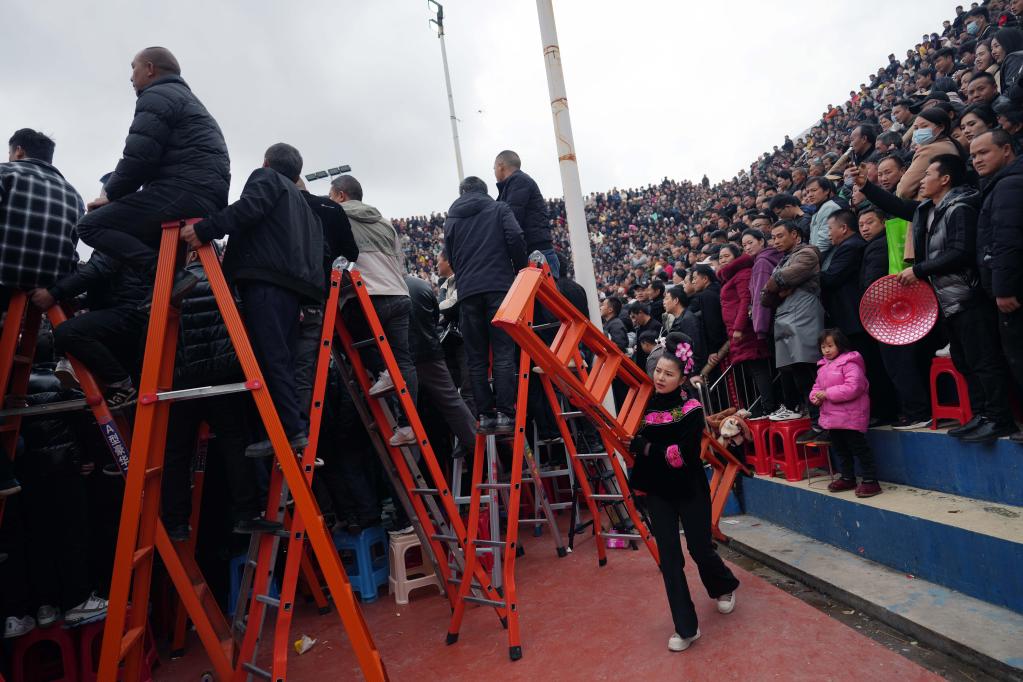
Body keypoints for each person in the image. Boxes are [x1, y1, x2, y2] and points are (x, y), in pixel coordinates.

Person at [180, 143, 323, 456]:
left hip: (265, 281)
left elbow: (248, 208)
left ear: (266, 163)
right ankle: (294, 427)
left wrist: (204, 229)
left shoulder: (266, 178)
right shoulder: (301, 202)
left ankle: (289, 430)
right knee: (283, 357)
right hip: (292, 286)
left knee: (271, 357)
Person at [77, 47, 230, 300]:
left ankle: (166, 276)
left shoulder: (157, 95)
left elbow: (139, 156)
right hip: (204, 197)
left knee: (90, 225)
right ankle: (158, 294)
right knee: (140, 237)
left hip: (182, 191)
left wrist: (111, 195)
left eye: (133, 67)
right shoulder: (188, 100)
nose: (131, 77)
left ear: (149, 69)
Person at [627, 333, 739, 653]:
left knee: (699, 549)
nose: (660, 378)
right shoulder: (644, 404)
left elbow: (684, 456)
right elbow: (632, 438)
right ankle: (686, 627)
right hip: (658, 491)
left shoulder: (692, 409)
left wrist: (646, 448)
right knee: (670, 559)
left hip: (689, 488)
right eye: (658, 371)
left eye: (668, 373)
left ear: (681, 378)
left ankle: (724, 585)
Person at [897, 154, 1015, 444]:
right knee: (965, 362)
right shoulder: (930, 210)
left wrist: (920, 270)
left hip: (968, 296)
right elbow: (898, 205)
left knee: (984, 361)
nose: (922, 180)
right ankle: (981, 415)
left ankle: (1000, 418)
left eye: (928, 175)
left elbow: (961, 252)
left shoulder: (960, 208)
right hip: (948, 301)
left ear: (945, 179)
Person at [330, 174, 419, 447]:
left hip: (367, 296)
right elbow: (400, 263)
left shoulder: (336, 215)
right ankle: (408, 424)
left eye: (332, 196)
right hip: (398, 293)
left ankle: (382, 371)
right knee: (403, 361)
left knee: (352, 340)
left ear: (341, 195)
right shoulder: (385, 222)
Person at [443, 176, 527, 435]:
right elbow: (515, 236)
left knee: (476, 357)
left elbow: (450, 255)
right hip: (499, 287)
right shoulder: (498, 208)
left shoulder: (452, 218)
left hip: (468, 292)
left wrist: (465, 276)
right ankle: (505, 413)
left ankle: (485, 415)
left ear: (462, 192)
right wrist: (519, 270)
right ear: (484, 191)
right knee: (503, 351)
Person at [971, 130, 1023, 443]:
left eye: (983, 152)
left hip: (1012, 292)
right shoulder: (999, 184)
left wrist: (1002, 288)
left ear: (1006, 149)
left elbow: (1007, 240)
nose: (977, 160)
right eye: (973, 155)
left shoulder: (1009, 184)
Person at [1, 129, 82, 309]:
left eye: (10, 153)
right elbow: (73, 242)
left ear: (19, 151)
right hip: (48, 289)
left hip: (5, 279)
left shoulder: (4, 172)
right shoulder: (75, 195)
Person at [763, 221, 826, 439]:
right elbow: (765, 297)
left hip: (803, 316)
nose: (776, 241)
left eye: (780, 236)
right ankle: (816, 423)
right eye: (773, 237)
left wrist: (776, 285)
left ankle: (824, 423)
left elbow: (779, 280)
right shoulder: (783, 260)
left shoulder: (807, 253)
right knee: (798, 373)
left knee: (810, 370)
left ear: (795, 235)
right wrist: (777, 289)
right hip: (785, 318)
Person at [404, 274, 478, 456]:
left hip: (409, 357)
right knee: (452, 400)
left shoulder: (386, 291)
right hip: (433, 351)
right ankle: (475, 446)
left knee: (412, 413)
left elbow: (444, 309)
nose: (437, 263)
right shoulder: (421, 285)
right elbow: (436, 315)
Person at [810, 329, 881, 498]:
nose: (826, 350)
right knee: (840, 449)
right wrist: (815, 398)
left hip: (850, 417)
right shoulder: (822, 367)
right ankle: (847, 477)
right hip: (832, 418)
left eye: (830, 346)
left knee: (859, 448)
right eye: (823, 347)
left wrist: (827, 394)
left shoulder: (850, 363)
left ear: (840, 345)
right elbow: (816, 387)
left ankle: (871, 480)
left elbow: (854, 387)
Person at [716, 244, 775, 417]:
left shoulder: (742, 273)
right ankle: (760, 407)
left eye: (726, 256)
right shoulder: (730, 277)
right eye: (720, 257)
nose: (722, 260)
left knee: (758, 368)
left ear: (736, 257)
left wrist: (739, 327)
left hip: (746, 331)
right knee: (751, 370)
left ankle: (769, 407)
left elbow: (745, 301)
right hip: (736, 331)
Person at [494, 150, 556, 277]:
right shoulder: (513, 185)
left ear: (500, 166)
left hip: (537, 253)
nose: (494, 171)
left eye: (494, 168)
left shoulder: (519, 181)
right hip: (534, 251)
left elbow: (512, 219)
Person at [896, 107, 963, 201]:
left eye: (924, 126)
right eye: (916, 128)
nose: (918, 131)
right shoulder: (948, 144)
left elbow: (903, 191)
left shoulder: (931, 150)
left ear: (941, 127)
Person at [804, 177, 843, 257]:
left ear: (826, 191)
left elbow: (825, 240)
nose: (810, 195)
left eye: (814, 190)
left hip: (824, 256)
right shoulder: (820, 208)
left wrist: (811, 258)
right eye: (807, 192)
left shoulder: (830, 207)